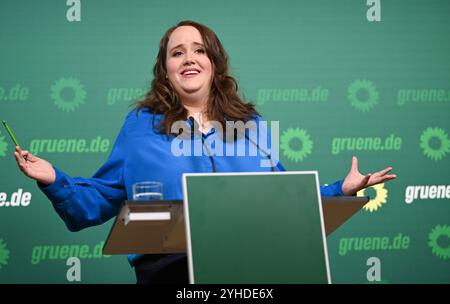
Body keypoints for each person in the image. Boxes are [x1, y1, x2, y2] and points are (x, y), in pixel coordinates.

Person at [13, 20, 396, 284]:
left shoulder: (251, 124)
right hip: (169, 273)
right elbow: (97, 201)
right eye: (177, 53)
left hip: (252, 268)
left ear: (214, 63)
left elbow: (284, 199)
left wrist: (340, 191)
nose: (189, 58)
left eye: (199, 50)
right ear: (165, 70)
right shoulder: (140, 125)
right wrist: (54, 180)